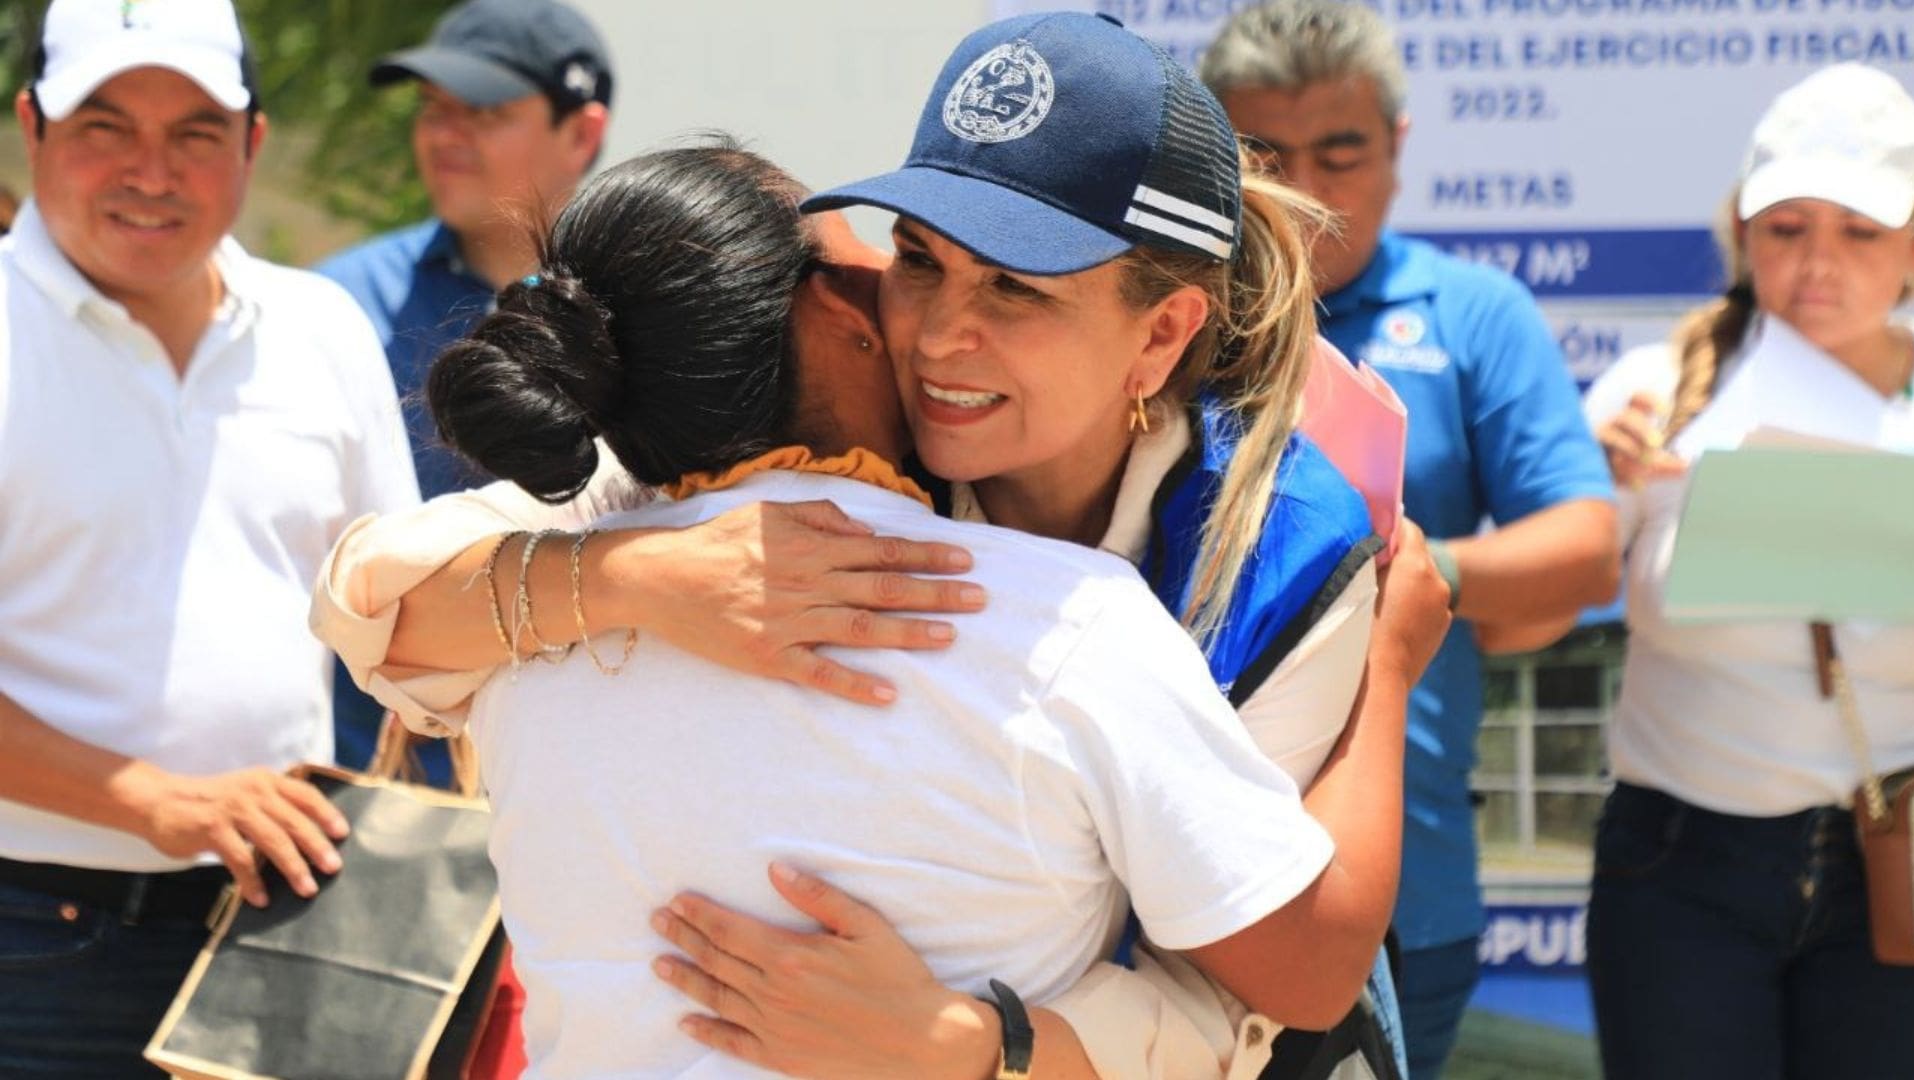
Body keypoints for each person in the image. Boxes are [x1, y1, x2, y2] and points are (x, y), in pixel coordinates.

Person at [313, 13, 1447, 1079]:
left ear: (1162, 334)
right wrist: (637, 576)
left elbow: (1256, 986)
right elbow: (375, 598)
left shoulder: (1279, 546)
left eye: (1016, 287)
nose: (940, 334)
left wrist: (973, 1042)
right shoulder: (776, 469)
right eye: (917, 257)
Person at [1196, 5, 1621, 1074]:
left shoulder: (1473, 313)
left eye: (1340, 155)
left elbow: (1585, 543)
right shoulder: (1163, 312)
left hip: (1400, 888)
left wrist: (1405, 578)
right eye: (1265, 158)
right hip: (1162, 865)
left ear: (1397, 147)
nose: (1306, 191)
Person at [0, 0, 419, 1073]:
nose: (153, 172)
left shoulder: (321, 329)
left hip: (292, 920)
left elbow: (411, 612)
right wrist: (156, 802)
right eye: (105, 126)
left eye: (196, 132)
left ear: (252, 144)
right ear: (32, 128)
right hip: (28, 944)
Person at [1580, 63, 1914, 1080]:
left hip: (1895, 863)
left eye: (1860, 231)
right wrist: (1593, 489)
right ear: (1741, 231)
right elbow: (1535, 614)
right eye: (1787, 227)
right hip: (1678, 869)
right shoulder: (1651, 397)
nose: (1820, 262)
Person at [313, 0, 613, 777]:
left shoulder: (644, 316)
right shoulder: (336, 310)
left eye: (483, 111)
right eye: (432, 107)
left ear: (582, 134)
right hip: (389, 804)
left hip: (587, 790)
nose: (445, 134)